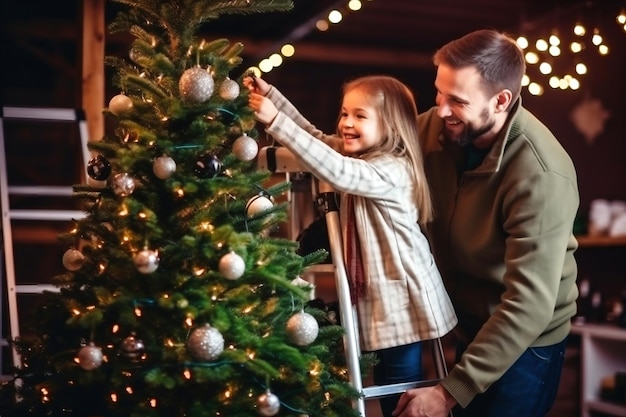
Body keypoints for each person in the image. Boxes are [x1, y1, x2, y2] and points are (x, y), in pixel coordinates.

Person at [245, 74, 458, 417]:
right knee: (386, 381)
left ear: (390, 126)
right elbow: (313, 138)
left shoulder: (391, 169)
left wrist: (274, 119)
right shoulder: (359, 159)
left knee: (403, 385)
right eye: (344, 113)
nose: (346, 123)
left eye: (360, 116)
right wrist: (273, 98)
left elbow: (338, 170)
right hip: (382, 299)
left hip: (404, 298)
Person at [392, 29, 580, 417]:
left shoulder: (540, 173)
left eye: (457, 101)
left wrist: (447, 393)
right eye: (439, 93)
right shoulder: (438, 126)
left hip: (526, 339)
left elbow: (528, 304)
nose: (440, 109)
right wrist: (284, 122)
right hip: (473, 324)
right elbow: (365, 145)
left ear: (501, 101)